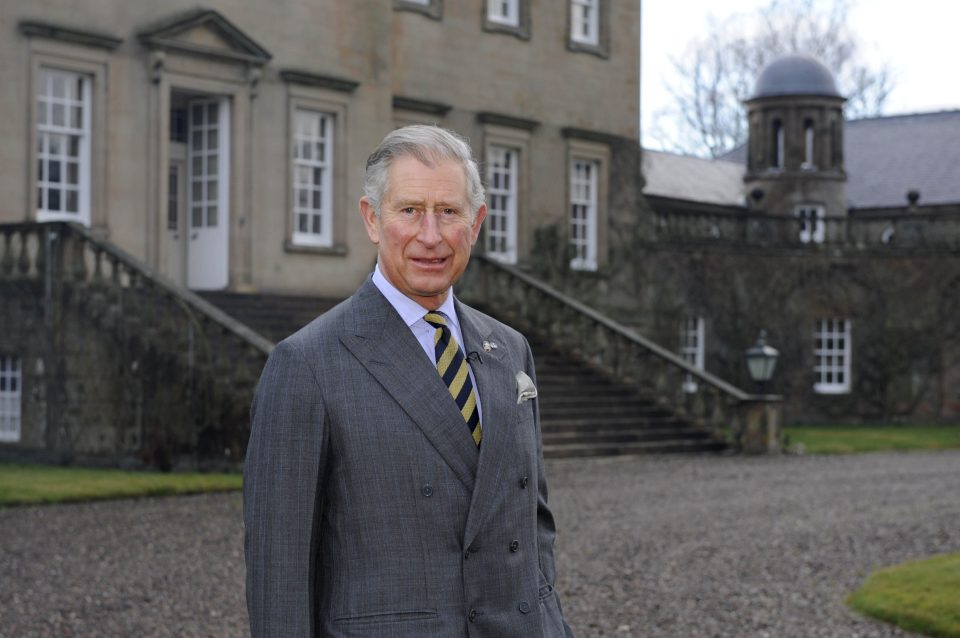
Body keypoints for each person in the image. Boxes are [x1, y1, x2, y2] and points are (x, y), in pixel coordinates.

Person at [243, 125, 573, 637]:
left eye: (448, 211)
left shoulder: (510, 349)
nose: (431, 236)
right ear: (372, 219)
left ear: (477, 222)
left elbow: (532, 523)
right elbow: (278, 578)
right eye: (410, 210)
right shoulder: (306, 364)